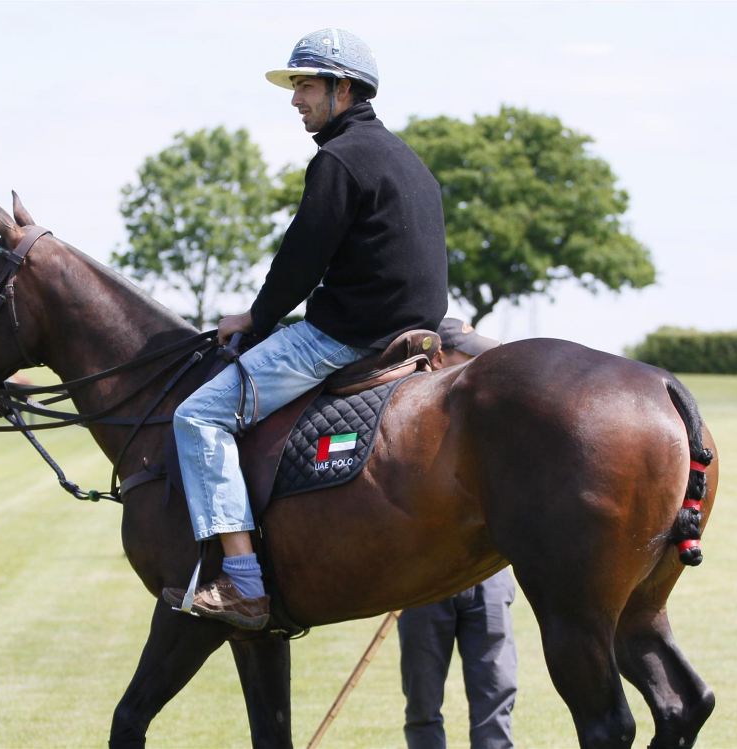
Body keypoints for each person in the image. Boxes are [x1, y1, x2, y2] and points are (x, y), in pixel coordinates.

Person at [162, 29, 449, 629]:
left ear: (344, 89)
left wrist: (256, 318)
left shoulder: (339, 159)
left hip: (344, 338)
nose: (296, 99)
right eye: (295, 87)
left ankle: (244, 585)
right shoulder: (406, 157)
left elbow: (300, 260)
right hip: (417, 333)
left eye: (306, 86)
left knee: (198, 417)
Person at [398, 318, 517, 749]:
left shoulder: (497, 420)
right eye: (469, 356)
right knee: (422, 704)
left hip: (488, 575)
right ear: (438, 358)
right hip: (425, 580)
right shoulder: (402, 421)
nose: (479, 365)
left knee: (496, 694)